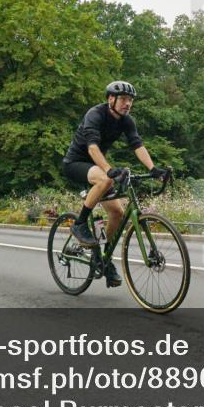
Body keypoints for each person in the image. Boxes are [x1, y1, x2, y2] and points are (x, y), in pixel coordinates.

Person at [62, 81, 167, 287]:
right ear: (111, 99)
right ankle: (80, 224)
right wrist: (109, 170)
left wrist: (153, 169)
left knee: (117, 213)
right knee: (105, 178)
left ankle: (103, 258)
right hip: (76, 163)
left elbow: (137, 145)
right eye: (124, 99)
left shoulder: (127, 121)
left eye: (131, 100)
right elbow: (92, 148)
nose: (128, 104)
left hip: (98, 166)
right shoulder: (95, 114)